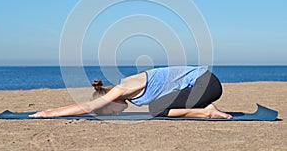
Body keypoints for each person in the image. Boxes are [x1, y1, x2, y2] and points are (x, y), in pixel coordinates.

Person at [30, 66, 232, 119]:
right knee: (157, 107)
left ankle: (207, 112)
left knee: (155, 108)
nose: (118, 114)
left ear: (109, 101)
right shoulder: (125, 91)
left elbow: (88, 107)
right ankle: (205, 109)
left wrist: (50, 112)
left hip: (206, 84)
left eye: (112, 112)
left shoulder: (123, 88)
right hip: (202, 86)